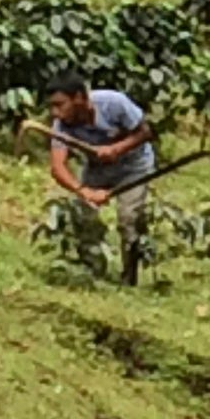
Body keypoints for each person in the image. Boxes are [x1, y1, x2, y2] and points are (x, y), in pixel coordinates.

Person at [42, 71, 156, 284]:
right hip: (97, 170)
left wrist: (117, 149)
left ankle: (129, 278)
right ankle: (92, 269)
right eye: (52, 106)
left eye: (60, 105)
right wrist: (83, 191)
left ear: (78, 98)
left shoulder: (114, 103)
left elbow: (146, 132)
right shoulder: (61, 127)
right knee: (83, 215)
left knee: (129, 218)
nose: (55, 113)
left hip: (134, 167)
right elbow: (58, 167)